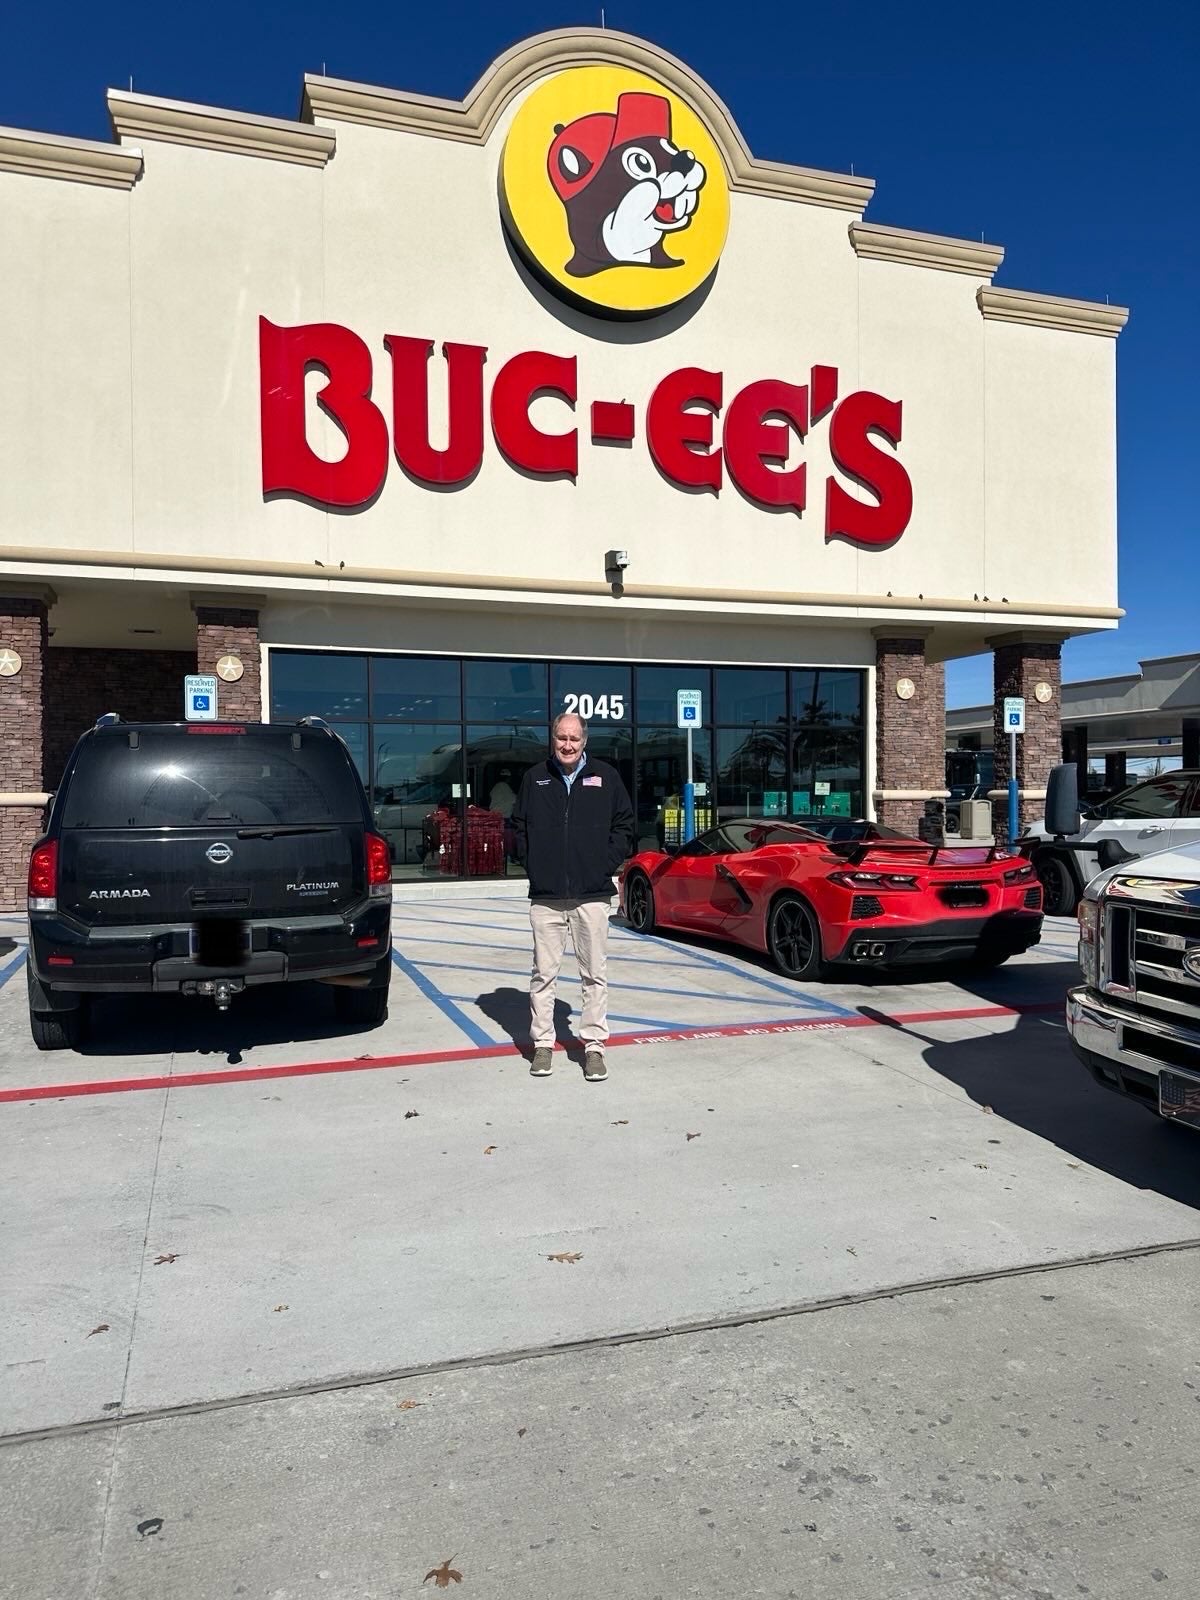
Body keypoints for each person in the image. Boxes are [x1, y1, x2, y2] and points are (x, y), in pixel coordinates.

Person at [511, 712, 635, 1081]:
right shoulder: (535, 779)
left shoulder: (606, 777)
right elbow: (518, 827)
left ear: (585, 741)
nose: (567, 745)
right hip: (547, 897)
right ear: (553, 738)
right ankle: (544, 1045)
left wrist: (603, 864)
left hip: (592, 895)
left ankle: (594, 1048)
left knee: (594, 975)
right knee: (543, 975)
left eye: (574, 739)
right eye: (561, 738)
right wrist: (534, 864)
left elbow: (625, 826)